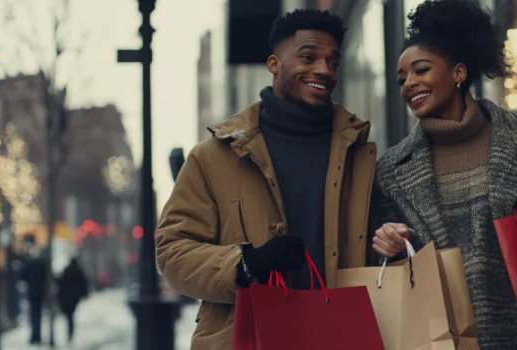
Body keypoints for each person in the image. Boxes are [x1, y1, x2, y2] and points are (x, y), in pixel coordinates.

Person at [371, 1, 517, 349]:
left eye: (421, 70)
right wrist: (389, 242)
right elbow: (393, 262)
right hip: (447, 339)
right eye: (402, 78)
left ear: (458, 73)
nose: (409, 84)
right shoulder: (391, 170)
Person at [155, 9, 376, 349]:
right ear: (274, 64)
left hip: (338, 335)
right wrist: (245, 264)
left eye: (332, 62)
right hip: (247, 337)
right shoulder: (213, 157)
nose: (323, 69)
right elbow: (172, 252)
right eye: (308, 57)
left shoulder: (360, 155)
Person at [18, 236, 48, 345]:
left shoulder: (29, 263)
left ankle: (35, 336)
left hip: (32, 293)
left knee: (34, 315)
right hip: (40, 293)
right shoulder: (42, 263)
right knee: (37, 315)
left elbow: (21, 275)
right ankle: (37, 336)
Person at [56, 257, 88, 343]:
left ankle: (70, 333)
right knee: (70, 316)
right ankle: (70, 332)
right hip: (74, 298)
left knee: (68, 316)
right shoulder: (78, 272)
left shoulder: (66, 271)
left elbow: (60, 282)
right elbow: (84, 284)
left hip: (65, 297)